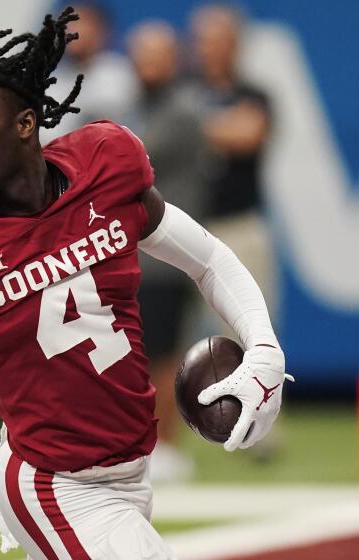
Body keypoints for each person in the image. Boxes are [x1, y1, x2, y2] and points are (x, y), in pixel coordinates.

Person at [0, 8, 291, 559]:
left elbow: (208, 259)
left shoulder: (103, 168)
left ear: (26, 124)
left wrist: (264, 347)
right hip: (54, 483)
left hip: (129, 470)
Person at [127, 21, 211, 482]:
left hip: (164, 253)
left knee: (162, 355)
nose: (148, 65)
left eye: (157, 56)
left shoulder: (180, 110)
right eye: (142, 55)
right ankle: (144, 443)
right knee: (136, 354)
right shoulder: (136, 106)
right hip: (134, 253)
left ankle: (168, 446)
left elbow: (133, 157)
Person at [189, 4, 276, 314]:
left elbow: (248, 135)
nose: (207, 49)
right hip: (187, 227)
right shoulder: (183, 90)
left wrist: (192, 126)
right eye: (202, 40)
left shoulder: (253, 94)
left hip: (237, 225)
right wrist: (222, 124)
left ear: (235, 45)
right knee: (181, 339)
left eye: (217, 41)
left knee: (249, 331)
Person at [39, 1, 136, 144]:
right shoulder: (52, 82)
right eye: (67, 25)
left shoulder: (120, 74)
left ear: (102, 31)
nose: (72, 30)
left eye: (82, 23)